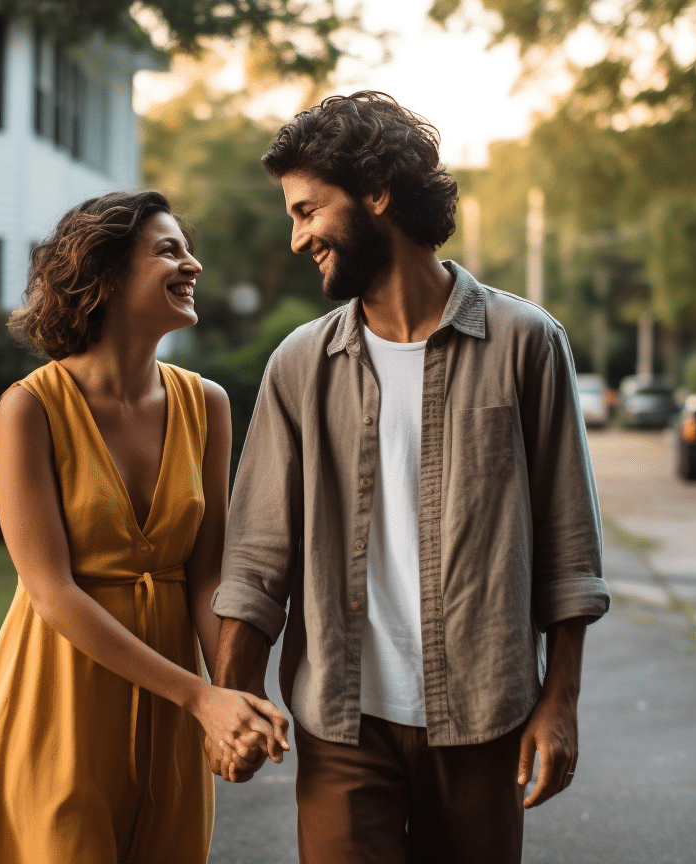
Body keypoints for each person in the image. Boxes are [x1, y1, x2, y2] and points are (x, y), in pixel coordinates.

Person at [207, 92, 611, 863]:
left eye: (307, 211)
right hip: (341, 721)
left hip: (485, 718)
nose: (298, 239)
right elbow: (258, 555)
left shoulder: (525, 342)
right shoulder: (300, 364)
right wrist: (234, 695)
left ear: (378, 194)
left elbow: (569, 546)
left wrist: (560, 702)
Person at [0, 190, 289, 864]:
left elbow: (207, 574)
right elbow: (52, 591)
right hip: (59, 702)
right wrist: (199, 696)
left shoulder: (207, 403)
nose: (193, 264)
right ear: (105, 276)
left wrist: (234, 701)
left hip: (172, 720)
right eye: (169, 250)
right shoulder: (28, 409)